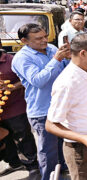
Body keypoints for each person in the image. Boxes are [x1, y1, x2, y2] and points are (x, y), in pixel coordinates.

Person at [11, 23, 70, 180]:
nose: (45, 40)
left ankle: (62, 169)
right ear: (24, 41)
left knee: (61, 144)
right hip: (42, 110)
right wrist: (56, 59)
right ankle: (48, 176)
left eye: (45, 36)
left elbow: (66, 70)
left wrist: (69, 58)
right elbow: (38, 81)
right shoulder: (21, 59)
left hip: (61, 105)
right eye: (39, 39)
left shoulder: (50, 48)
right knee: (47, 150)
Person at [46, 34, 87, 180]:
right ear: (83, 53)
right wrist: (82, 138)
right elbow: (50, 125)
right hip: (80, 148)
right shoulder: (67, 82)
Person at [0, 45, 39, 178]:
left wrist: (12, 87)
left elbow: (27, 79)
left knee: (22, 136)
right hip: (0, 110)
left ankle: (32, 166)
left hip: (15, 107)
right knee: (5, 138)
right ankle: (14, 162)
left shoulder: (12, 60)